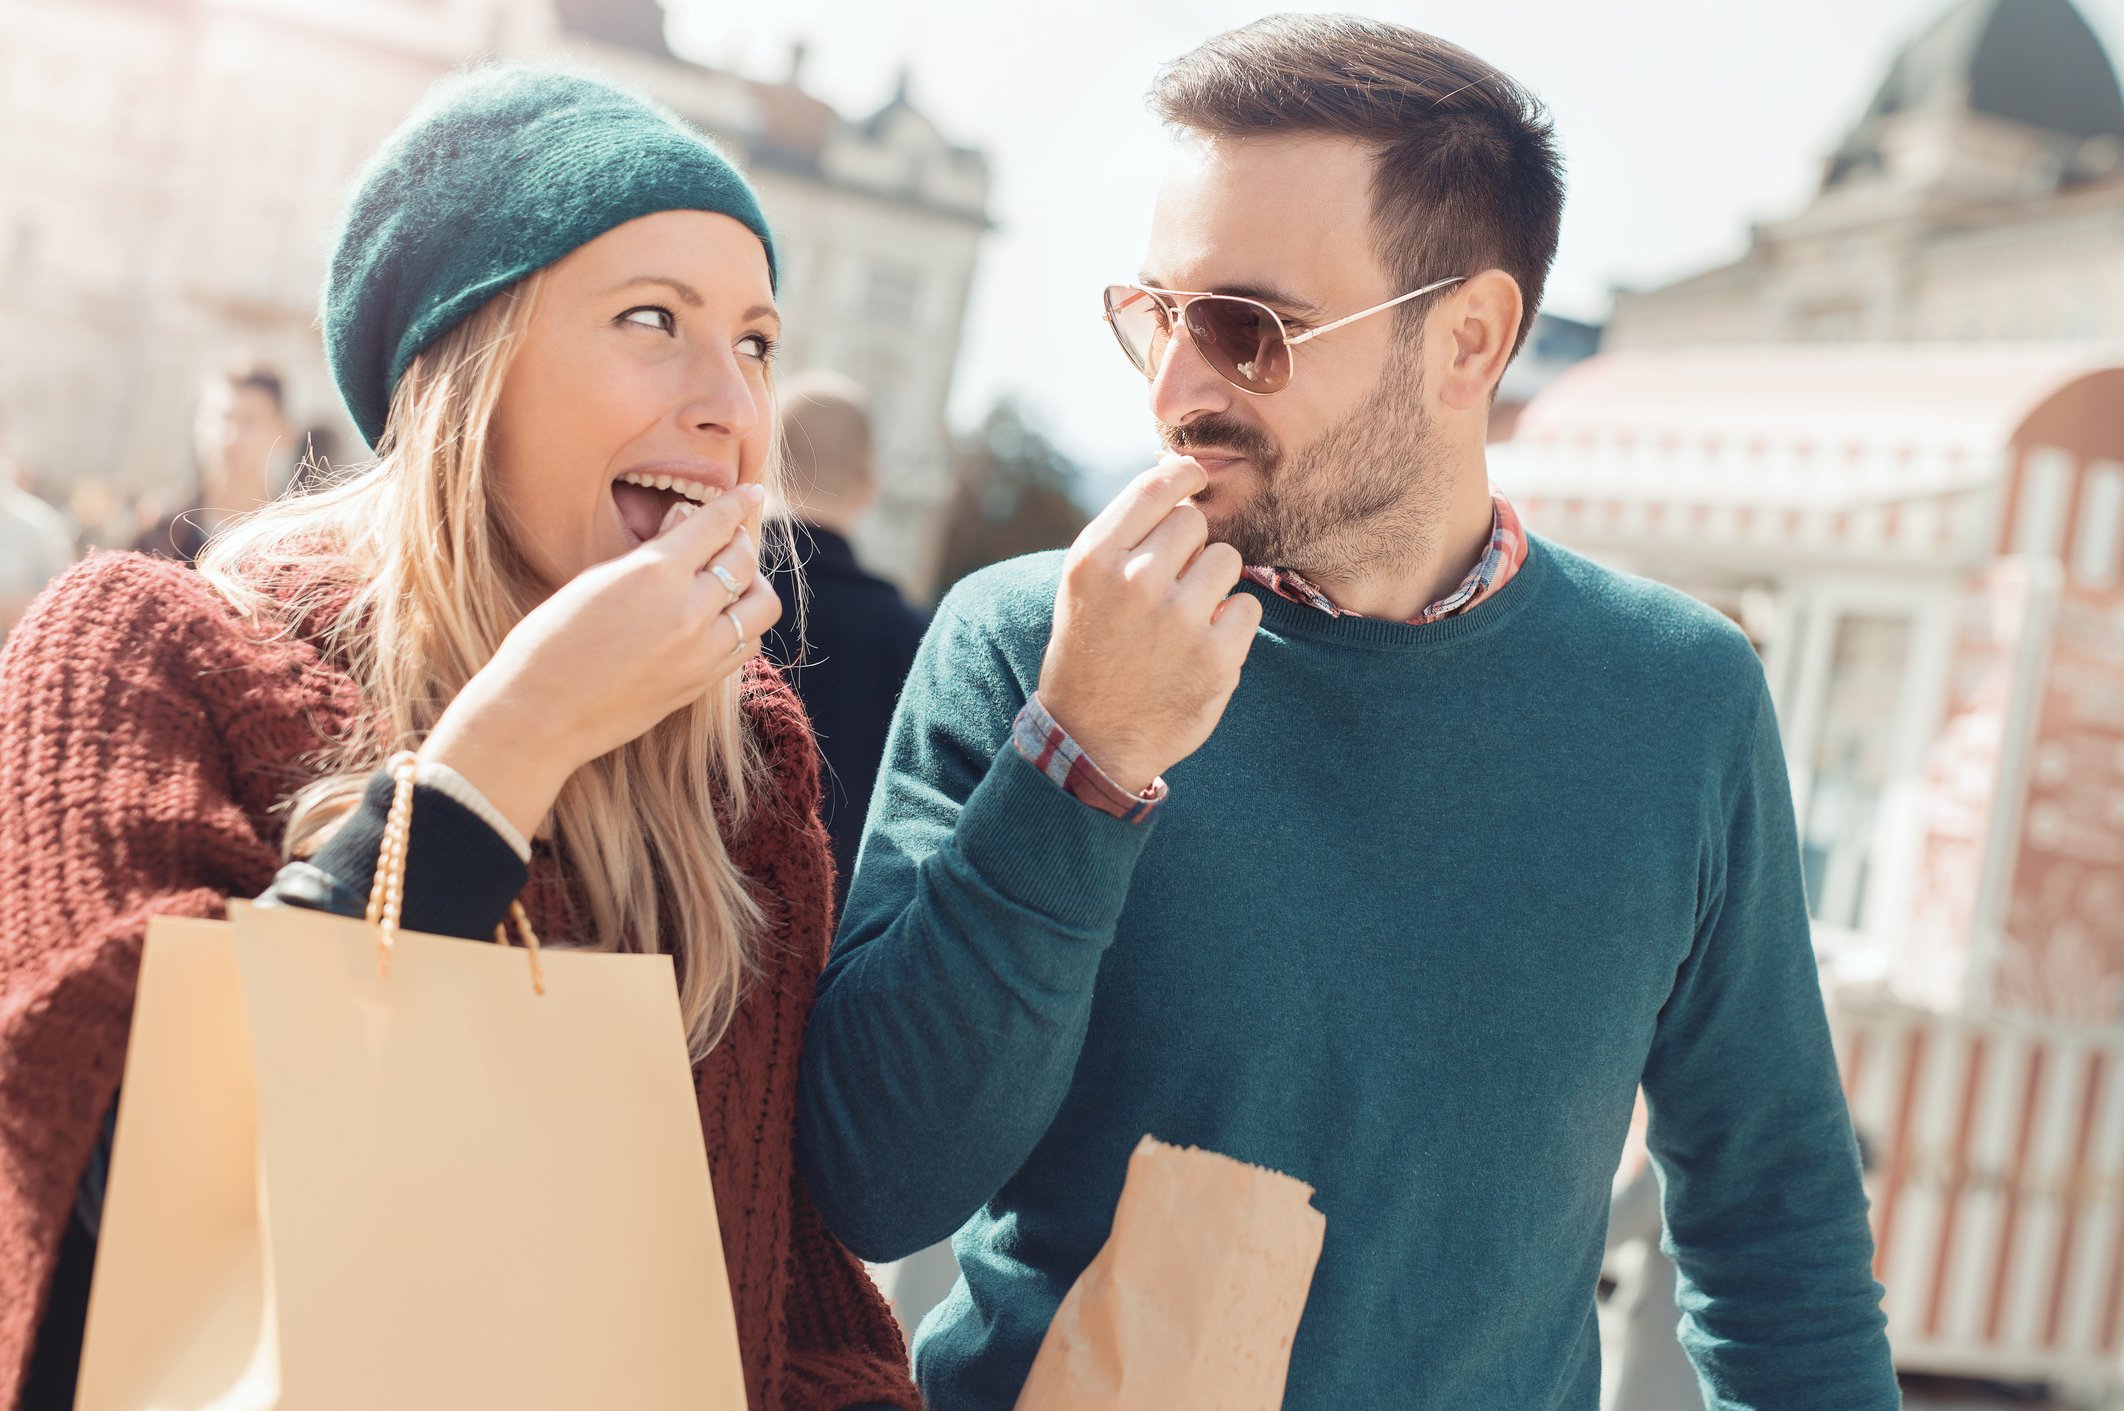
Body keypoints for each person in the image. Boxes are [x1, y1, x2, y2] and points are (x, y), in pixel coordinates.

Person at [795, 17, 1897, 1410]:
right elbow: (879, 1185)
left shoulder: (1681, 698)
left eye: (1248, 328)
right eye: (1159, 312)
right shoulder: (1029, 642)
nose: (1177, 386)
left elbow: (1775, 1224)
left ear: (1470, 340)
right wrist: (1082, 757)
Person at [0, 67, 914, 1411]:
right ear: (467, 363)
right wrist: (507, 755)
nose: (730, 403)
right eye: (653, 319)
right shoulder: (144, 646)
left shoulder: (744, 757)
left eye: (759, 341)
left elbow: (769, 1295)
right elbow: (93, 1183)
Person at [762, 371, 927, 908]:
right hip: (837, 945)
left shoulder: (694, 601)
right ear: (869, 485)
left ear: (761, 461)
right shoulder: (914, 638)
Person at [133, 359, 295, 565]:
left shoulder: (288, 540)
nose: (230, 437)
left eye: (249, 421)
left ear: (284, 434)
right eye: (221, 417)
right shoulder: (161, 525)